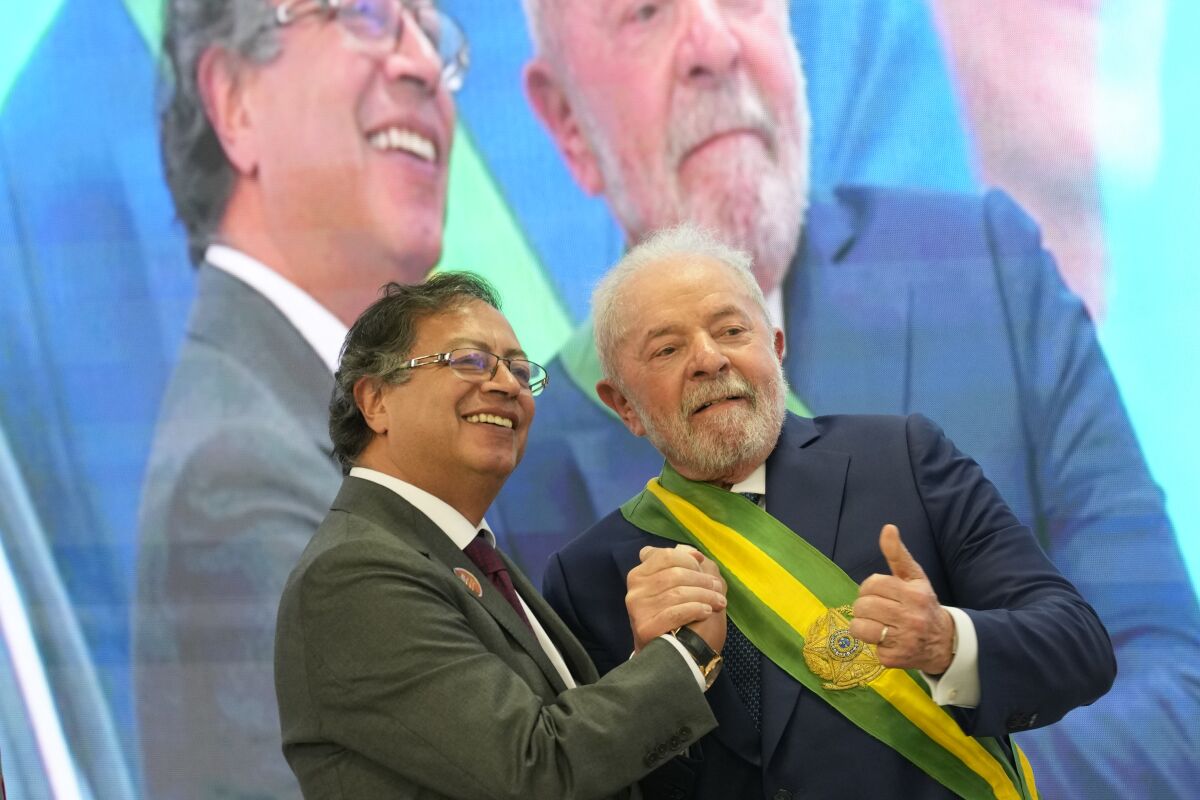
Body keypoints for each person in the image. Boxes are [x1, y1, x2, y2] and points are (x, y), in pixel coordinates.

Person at [502, 0, 1200, 794]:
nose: (715, 43)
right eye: (647, 13)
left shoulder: (988, 273)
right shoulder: (528, 468)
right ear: (564, 122)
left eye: (743, 1)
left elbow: (1176, 691)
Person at [543, 225, 1116, 799]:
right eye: (667, 349)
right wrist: (660, 675)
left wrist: (947, 642)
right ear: (623, 406)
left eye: (732, 330)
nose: (709, 359)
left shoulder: (903, 458)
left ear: (777, 347)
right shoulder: (591, 575)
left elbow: (1079, 647)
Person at [135, 0, 468, 795]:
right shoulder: (236, 482)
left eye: (432, 30)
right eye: (364, 13)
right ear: (236, 102)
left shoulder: (357, 432)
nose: (421, 63)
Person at [275, 272, 726, 797]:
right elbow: (534, 770)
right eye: (469, 361)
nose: (507, 384)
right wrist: (685, 655)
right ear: (375, 401)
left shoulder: (465, 556)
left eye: (517, 368)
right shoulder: (354, 573)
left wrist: (647, 661)